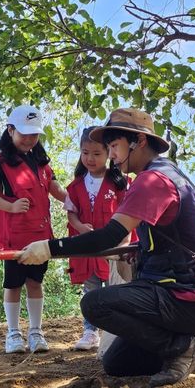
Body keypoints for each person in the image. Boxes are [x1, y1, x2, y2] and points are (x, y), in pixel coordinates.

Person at [19, 107, 195, 387]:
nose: (111, 155)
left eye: (114, 146)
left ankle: (184, 347)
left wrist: (49, 248)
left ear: (138, 141)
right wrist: (140, 248)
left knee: (94, 304)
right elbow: (169, 237)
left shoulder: (152, 181)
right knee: (117, 364)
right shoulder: (170, 173)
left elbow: (107, 237)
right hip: (189, 298)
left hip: (184, 298)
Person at [0, 105, 67, 354]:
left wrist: (70, 200)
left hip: (40, 235)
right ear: (10, 130)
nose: (29, 139)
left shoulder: (40, 160)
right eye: (24, 133)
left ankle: (36, 332)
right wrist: (11, 205)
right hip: (15, 237)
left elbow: (52, 184)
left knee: (35, 282)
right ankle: (13, 333)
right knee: (14, 284)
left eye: (34, 134)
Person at [66, 127, 130, 350]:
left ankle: (116, 333)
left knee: (115, 290)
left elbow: (130, 214)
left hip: (115, 248)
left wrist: (124, 242)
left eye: (96, 153)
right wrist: (80, 227)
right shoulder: (76, 185)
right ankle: (90, 331)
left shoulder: (121, 183)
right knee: (91, 289)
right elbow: (71, 213)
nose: (90, 159)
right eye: (85, 153)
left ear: (109, 154)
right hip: (88, 249)